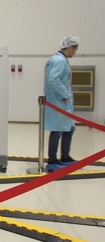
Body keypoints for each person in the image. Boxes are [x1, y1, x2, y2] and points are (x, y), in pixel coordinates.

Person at [44, 36, 79, 165]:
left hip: (61, 101)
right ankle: (52, 159)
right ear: (70, 48)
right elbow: (53, 80)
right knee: (57, 130)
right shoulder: (60, 61)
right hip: (59, 101)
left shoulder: (57, 59)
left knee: (69, 128)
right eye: (75, 50)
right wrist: (65, 94)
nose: (75, 53)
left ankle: (65, 156)